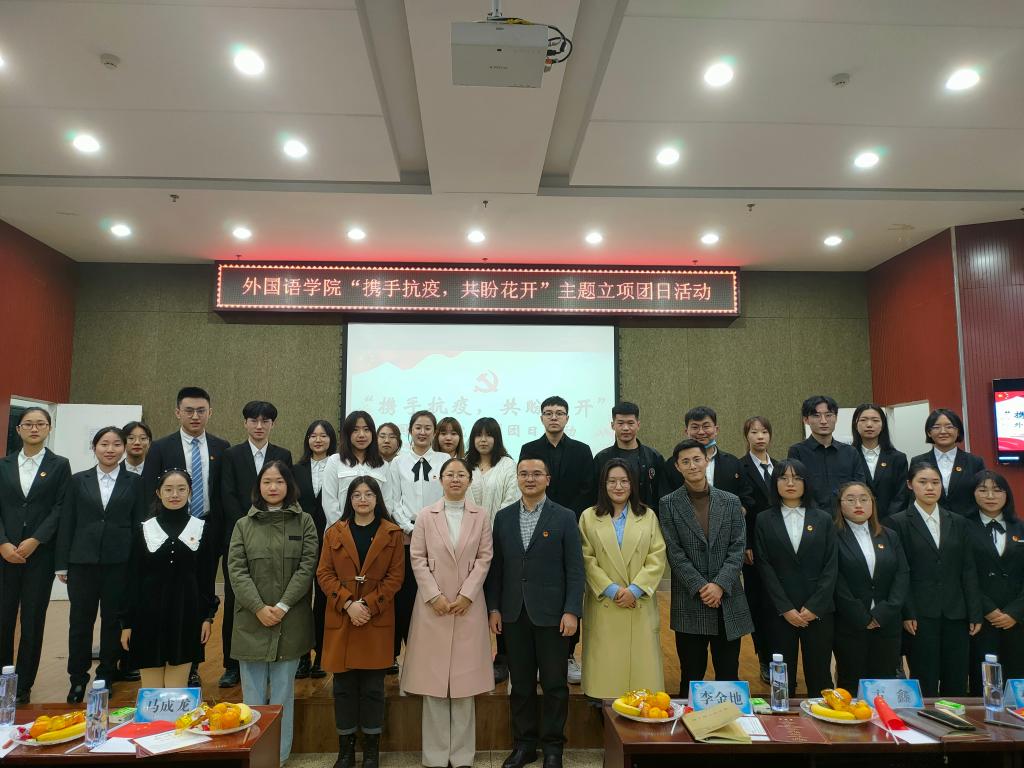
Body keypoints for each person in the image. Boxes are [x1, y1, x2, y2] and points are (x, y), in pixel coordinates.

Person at [486, 458, 585, 768]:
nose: (530, 479)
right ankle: (524, 745)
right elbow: (497, 569)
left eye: (536, 474)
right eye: (524, 474)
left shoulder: (565, 517)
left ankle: (553, 749)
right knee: (521, 684)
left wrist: (572, 610)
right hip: (514, 613)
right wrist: (494, 607)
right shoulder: (503, 517)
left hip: (553, 615)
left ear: (548, 479)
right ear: (517, 478)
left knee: (555, 684)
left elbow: (575, 569)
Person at [402, 458, 494, 768]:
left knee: (465, 686)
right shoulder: (425, 515)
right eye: (450, 474)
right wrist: (434, 596)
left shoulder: (481, 516)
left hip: (469, 606)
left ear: (470, 480)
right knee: (434, 685)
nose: (455, 479)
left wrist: (467, 594)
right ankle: (435, 757)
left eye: (461, 475)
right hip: (433, 607)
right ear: (440, 480)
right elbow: (417, 558)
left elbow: (485, 558)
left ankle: (463, 756)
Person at [227, 460, 318, 765]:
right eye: (267, 482)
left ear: (289, 485)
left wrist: (281, 606)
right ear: (259, 487)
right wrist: (258, 607)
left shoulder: (304, 522)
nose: (273, 487)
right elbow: (236, 570)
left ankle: (278, 757)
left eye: (279, 481)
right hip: (251, 620)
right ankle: (253, 756)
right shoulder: (243, 525)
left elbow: (307, 566)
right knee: (251, 698)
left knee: (282, 695)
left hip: (289, 620)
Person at [318, 477, 404, 768]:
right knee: (343, 688)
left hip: (374, 618)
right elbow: (324, 574)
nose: (363, 499)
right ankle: (345, 752)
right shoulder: (334, 532)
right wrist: (347, 603)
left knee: (373, 689)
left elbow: (395, 578)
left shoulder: (392, 533)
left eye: (369, 494)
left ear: (378, 498)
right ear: (350, 500)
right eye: (357, 495)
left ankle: (371, 752)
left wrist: (366, 605)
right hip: (342, 617)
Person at [55, 427, 146, 703]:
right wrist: (62, 564)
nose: (110, 449)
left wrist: (138, 564)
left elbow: (139, 524)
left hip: (120, 563)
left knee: (113, 622)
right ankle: (77, 679)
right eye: (104, 444)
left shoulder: (135, 482)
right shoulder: (77, 480)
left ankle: (106, 675)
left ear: (124, 448)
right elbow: (67, 521)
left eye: (116, 444)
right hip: (82, 562)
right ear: (94, 447)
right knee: (80, 622)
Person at [660, 441, 751, 696]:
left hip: (727, 598)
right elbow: (674, 552)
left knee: (728, 674)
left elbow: (738, 548)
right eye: (685, 461)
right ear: (678, 467)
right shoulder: (668, 503)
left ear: (706, 461)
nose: (692, 465)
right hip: (691, 600)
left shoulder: (730, 501)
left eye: (697, 459)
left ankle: (730, 719)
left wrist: (719, 585)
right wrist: (702, 586)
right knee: (690, 675)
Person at [519, 396, 594, 684]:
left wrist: (566, 518)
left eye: (559, 413)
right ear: (541, 418)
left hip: (570, 526)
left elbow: (588, 488)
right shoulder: (529, 449)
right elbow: (527, 485)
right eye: (548, 413)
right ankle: (538, 657)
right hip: (535, 526)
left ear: (567, 418)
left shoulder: (581, 450)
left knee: (570, 584)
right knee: (538, 585)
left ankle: (569, 653)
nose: (554, 417)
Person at [120, 469, 218, 688]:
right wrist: (127, 623)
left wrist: (207, 617)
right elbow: (132, 579)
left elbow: (206, 578)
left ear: (190, 492)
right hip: (147, 617)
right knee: (151, 692)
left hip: (186, 616)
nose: (175, 494)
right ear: (158, 492)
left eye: (181, 489)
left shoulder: (201, 529)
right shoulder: (144, 529)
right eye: (169, 489)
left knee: (176, 691)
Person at [890, 462, 981, 696]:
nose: (930, 487)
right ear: (910, 485)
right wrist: (907, 612)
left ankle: (955, 719)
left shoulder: (958, 521)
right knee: (925, 679)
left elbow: (968, 569)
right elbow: (900, 571)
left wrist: (974, 612)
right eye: (923, 482)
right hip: (920, 614)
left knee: (956, 679)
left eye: (935, 482)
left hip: (956, 611)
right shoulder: (898, 522)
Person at [0, 406, 72, 704]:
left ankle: (23, 685)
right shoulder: (3, 464)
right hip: (4, 555)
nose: (34, 428)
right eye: (28, 424)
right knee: (3, 620)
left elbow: (61, 507)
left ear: (49, 428)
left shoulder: (60, 465)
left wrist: (36, 539)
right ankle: (3, 682)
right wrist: (3, 543)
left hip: (40, 555)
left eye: (40, 424)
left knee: (32, 620)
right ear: (18, 429)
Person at [220, 400, 293, 688]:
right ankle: (231, 665)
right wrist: (249, 526)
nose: (259, 426)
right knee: (237, 599)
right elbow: (226, 494)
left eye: (265, 421)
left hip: (277, 537)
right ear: (245, 423)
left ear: (273, 424)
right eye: (254, 420)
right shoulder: (231, 455)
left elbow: (286, 493)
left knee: (274, 596)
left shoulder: (282, 455)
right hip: (240, 534)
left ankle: (275, 657)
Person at [578, 459, 665, 699]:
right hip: (606, 603)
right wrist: (612, 589)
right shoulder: (588, 517)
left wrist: (635, 590)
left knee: (642, 683)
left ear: (633, 484)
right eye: (612, 481)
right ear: (603, 484)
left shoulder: (647, 516)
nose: (618, 487)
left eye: (624, 481)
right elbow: (586, 558)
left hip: (638, 603)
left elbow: (657, 556)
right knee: (606, 679)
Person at [754, 459, 838, 696]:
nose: (790, 483)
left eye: (797, 478)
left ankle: (823, 716)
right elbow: (764, 566)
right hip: (779, 611)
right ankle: (782, 717)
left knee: (819, 674)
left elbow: (831, 566)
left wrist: (815, 606)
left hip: (818, 610)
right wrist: (785, 608)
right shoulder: (763, 519)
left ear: (806, 483)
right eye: (783, 478)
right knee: (781, 679)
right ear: (775, 483)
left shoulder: (823, 518)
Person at [832, 481, 909, 692]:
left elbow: (902, 574)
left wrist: (884, 612)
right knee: (851, 683)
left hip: (887, 623)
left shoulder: (889, 535)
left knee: (885, 684)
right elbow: (835, 579)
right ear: (839, 505)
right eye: (850, 499)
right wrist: (861, 615)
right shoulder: (832, 536)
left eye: (864, 499)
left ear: (872, 503)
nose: (858, 504)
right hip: (851, 623)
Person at [386, 410, 447, 673]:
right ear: (410, 430)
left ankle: (430, 654)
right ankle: (401, 654)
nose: (422, 432)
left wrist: (431, 527)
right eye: (418, 427)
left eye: (428, 428)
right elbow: (392, 501)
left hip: (439, 535)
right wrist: (410, 527)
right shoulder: (397, 463)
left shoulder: (444, 460)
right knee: (406, 596)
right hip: (406, 536)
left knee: (433, 593)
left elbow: (448, 496)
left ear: (434, 432)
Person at [465, 417, 520, 683]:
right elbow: (460, 499)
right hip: (468, 543)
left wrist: (491, 531)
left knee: (500, 600)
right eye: (479, 435)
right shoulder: (465, 465)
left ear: (497, 438)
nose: (483, 440)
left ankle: (503, 658)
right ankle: (472, 656)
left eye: (489, 435)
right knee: (472, 599)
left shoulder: (508, 465)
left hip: (501, 542)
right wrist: (476, 532)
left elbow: (512, 500)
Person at [964, 471, 1023, 695]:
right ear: (973, 494)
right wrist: (988, 609)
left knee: (1016, 681)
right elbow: (962, 574)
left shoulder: (1020, 527)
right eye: (983, 490)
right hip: (981, 618)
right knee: (983, 683)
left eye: (997, 490)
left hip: (1017, 619)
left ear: (1007, 494)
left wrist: (1015, 612)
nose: (990, 496)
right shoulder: (962, 527)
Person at [294, 419, 338, 680]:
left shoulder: (339, 467)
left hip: (330, 540)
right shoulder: (295, 469)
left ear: (332, 439)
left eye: (323, 435)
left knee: (323, 600)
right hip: (300, 540)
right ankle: (302, 657)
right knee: (300, 599)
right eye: (313, 435)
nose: (318, 440)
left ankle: (321, 655)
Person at [737, 416, 778, 683]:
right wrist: (747, 543)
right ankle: (764, 658)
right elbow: (742, 510)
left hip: (780, 546)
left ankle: (780, 658)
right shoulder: (739, 467)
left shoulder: (781, 467)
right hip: (753, 547)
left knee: (778, 603)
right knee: (758, 603)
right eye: (754, 432)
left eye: (764, 431)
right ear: (747, 436)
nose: (760, 436)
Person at [663, 406, 755, 512]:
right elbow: (666, 501)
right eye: (695, 427)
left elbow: (746, 497)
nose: (701, 432)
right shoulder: (673, 464)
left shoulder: (733, 463)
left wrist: (734, 515)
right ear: (686, 431)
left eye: (706, 426)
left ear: (716, 430)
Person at [787, 395, 866, 512]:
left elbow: (859, 487)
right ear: (806, 420)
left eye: (828, 415)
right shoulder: (797, 451)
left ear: (836, 418)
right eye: (816, 416)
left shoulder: (850, 452)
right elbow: (796, 487)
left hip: (846, 515)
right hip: (811, 516)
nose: (823, 421)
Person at [592, 402, 667, 513]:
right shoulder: (602, 458)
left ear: (638, 425)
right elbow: (595, 494)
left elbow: (662, 493)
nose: (626, 428)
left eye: (630, 423)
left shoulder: (653, 457)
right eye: (620, 423)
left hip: (646, 516)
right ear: (612, 425)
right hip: (610, 516)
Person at [909, 409, 986, 517]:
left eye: (949, 427)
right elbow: (912, 497)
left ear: (958, 431)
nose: (943, 431)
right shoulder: (918, 461)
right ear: (929, 432)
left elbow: (982, 494)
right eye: (936, 427)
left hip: (967, 522)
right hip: (929, 521)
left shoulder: (974, 462)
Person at [324, 411, 389, 529]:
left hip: (375, 531)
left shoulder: (383, 465)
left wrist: (377, 529)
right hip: (340, 531)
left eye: (366, 429)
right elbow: (329, 502)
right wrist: (344, 530)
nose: (361, 435)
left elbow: (387, 502)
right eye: (355, 430)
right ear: (347, 434)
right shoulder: (335, 461)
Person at [851, 404, 909, 520]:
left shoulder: (898, 458)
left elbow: (901, 495)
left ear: (883, 425)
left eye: (875, 420)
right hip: (856, 520)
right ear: (855, 424)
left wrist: (889, 522)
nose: (869, 424)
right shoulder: (848, 456)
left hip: (891, 522)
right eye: (863, 420)